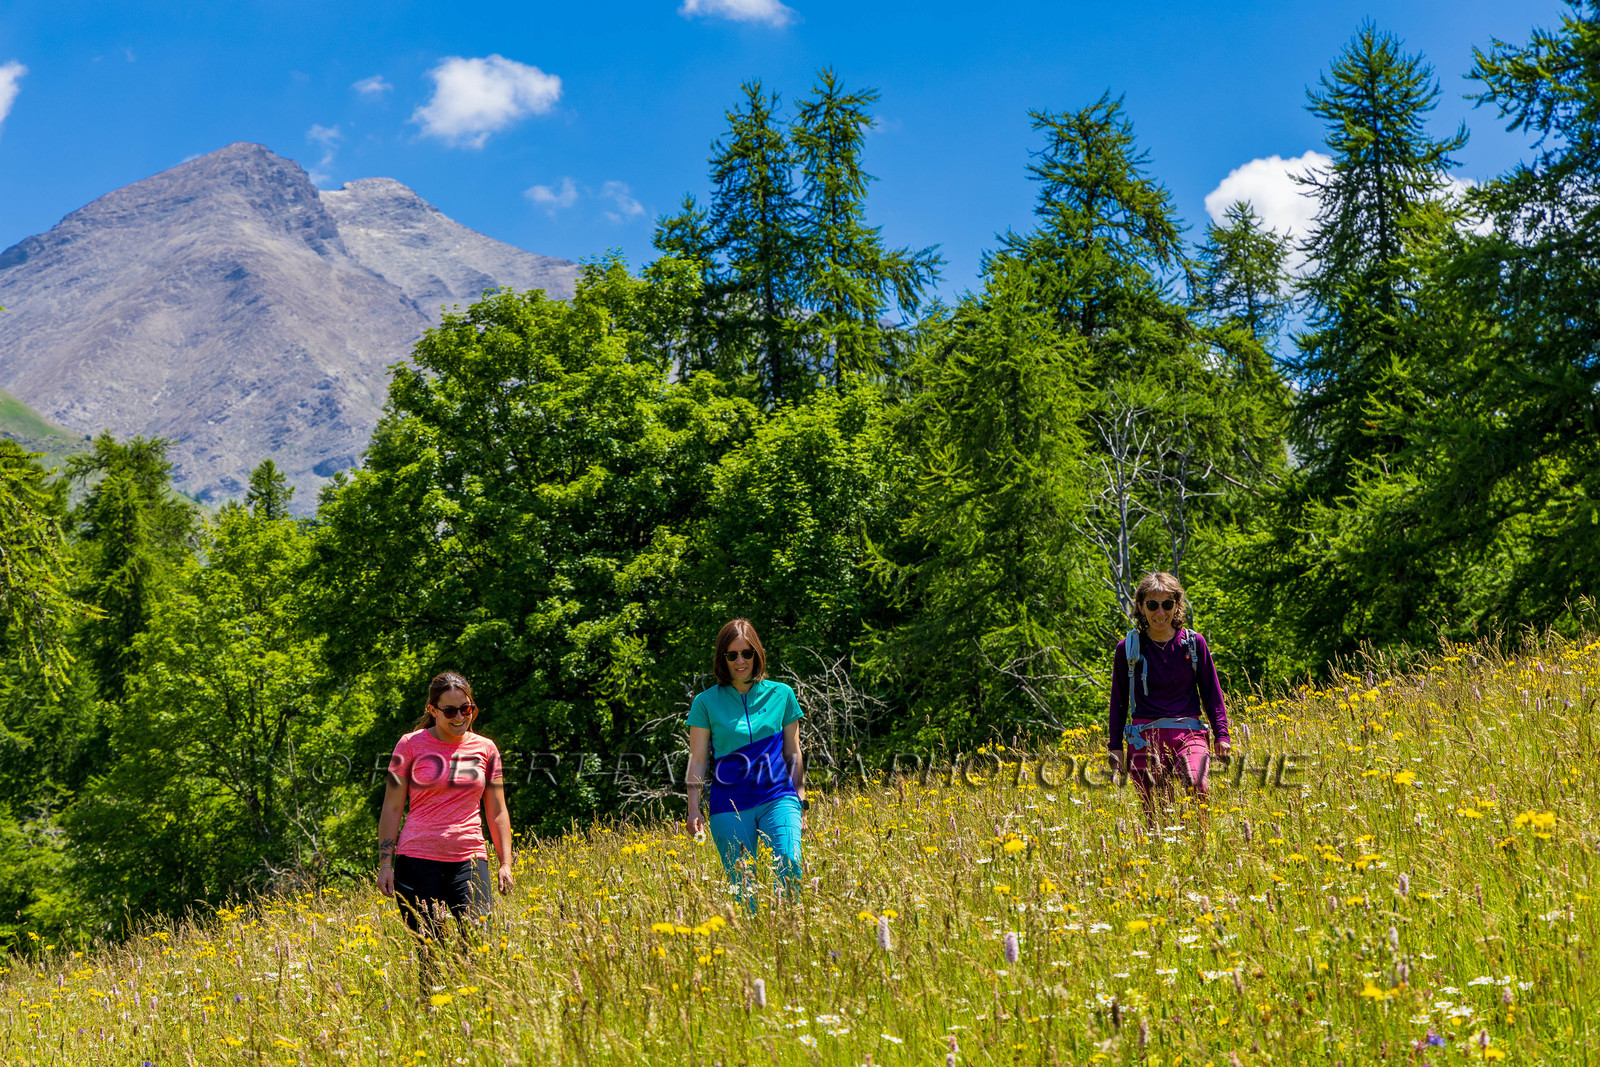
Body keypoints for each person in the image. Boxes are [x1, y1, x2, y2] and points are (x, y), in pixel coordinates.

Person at [377, 671, 513, 985]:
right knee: (429, 953)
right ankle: (432, 1020)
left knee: (478, 946)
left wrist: (505, 863)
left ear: (472, 708)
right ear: (433, 710)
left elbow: (497, 810)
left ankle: (475, 1021)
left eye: (465, 709)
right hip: (417, 861)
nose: (458, 717)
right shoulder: (410, 745)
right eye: (449, 711)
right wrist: (385, 863)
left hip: (469, 859)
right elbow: (392, 806)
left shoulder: (485, 749)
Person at [685, 619, 807, 908]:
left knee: (790, 865)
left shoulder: (782, 694)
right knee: (743, 887)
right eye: (732, 655)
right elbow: (698, 759)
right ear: (722, 659)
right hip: (730, 804)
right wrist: (693, 807)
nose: (740, 661)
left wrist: (801, 800)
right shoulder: (705, 702)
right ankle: (753, 944)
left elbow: (793, 752)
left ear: (757, 654)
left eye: (747, 653)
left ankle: (792, 938)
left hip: (778, 796)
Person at [1107, 573, 1231, 829]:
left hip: (1189, 732)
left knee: (1198, 786)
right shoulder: (1128, 649)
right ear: (1141, 607)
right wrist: (1114, 745)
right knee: (1155, 810)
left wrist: (1222, 735)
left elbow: (1212, 693)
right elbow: (1118, 701)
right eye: (1152, 605)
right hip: (1144, 736)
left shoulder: (1193, 644)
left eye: (1167, 604)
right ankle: (1162, 860)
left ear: (1177, 605)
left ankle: (1201, 849)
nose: (1160, 612)